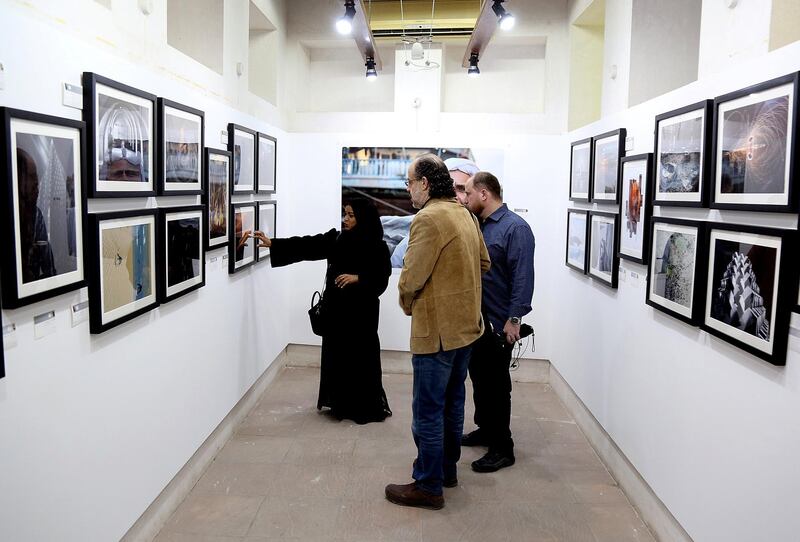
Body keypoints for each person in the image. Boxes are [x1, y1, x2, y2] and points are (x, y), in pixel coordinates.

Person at [384, 154, 490, 510]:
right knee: (452, 403)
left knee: (427, 411)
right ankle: (446, 471)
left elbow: (411, 277)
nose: (408, 189)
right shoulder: (464, 213)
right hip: (466, 331)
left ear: (425, 184)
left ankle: (428, 486)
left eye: (409, 183)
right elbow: (484, 263)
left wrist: (407, 302)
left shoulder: (428, 218)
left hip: (438, 334)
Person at [252, 199, 393, 425]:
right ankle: (340, 405)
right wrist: (274, 244)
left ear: (363, 218)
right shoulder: (338, 239)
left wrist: (359, 278)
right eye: (344, 214)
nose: (345, 219)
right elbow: (309, 245)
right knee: (337, 357)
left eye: (350, 215)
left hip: (361, 316)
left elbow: (382, 278)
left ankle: (362, 408)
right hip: (337, 313)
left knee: (361, 359)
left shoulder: (376, 246)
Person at [462, 171, 535, 473]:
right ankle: (485, 429)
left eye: (467, 193)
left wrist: (514, 320)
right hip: (477, 322)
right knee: (480, 380)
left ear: (483, 194)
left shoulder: (515, 228)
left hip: (499, 323)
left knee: (496, 385)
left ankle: (502, 447)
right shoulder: (478, 225)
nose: (464, 199)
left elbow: (522, 277)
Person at [388, 157, 480, 267]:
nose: (454, 195)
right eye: (448, 188)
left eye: (461, 189)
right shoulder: (417, 234)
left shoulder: (480, 229)